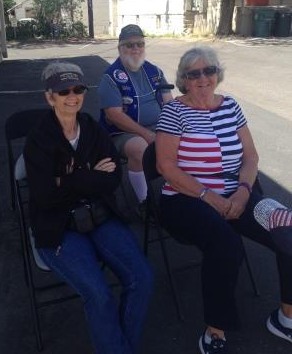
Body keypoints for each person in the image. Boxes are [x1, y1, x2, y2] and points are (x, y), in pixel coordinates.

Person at [155, 46, 292, 353]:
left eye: (209, 70)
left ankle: (286, 318)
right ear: (184, 79)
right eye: (194, 73)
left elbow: (251, 156)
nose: (203, 78)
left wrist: (244, 192)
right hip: (185, 198)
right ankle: (215, 330)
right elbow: (166, 166)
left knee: (288, 227)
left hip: (237, 194)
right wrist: (210, 197)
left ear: (217, 74)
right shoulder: (174, 111)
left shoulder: (230, 105)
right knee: (226, 243)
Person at [23, 61, 154, 354]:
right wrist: (90, 175)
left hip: (100, 216)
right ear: (49, 97)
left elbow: (113, 178)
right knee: (99, 294)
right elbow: (44, 196)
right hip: (59, 227)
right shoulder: (39, 139)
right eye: (63, 91)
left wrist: (67, 179)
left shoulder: (92, 129)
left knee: (142, 278)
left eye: (78, 89)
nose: (72, 96)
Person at [99, 24, 173, 206]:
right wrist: (147, 134)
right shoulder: (110, 77)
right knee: (140, 149)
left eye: (140, 44)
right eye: (129, 45)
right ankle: (145, 203)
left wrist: (173, 129)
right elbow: (114, 116)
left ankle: (181, 191)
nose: (136, 49)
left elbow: (169, 102)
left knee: (191, 139)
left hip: (157, 127)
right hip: (122, 133)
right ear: (119, 48)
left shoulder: (154, 71)